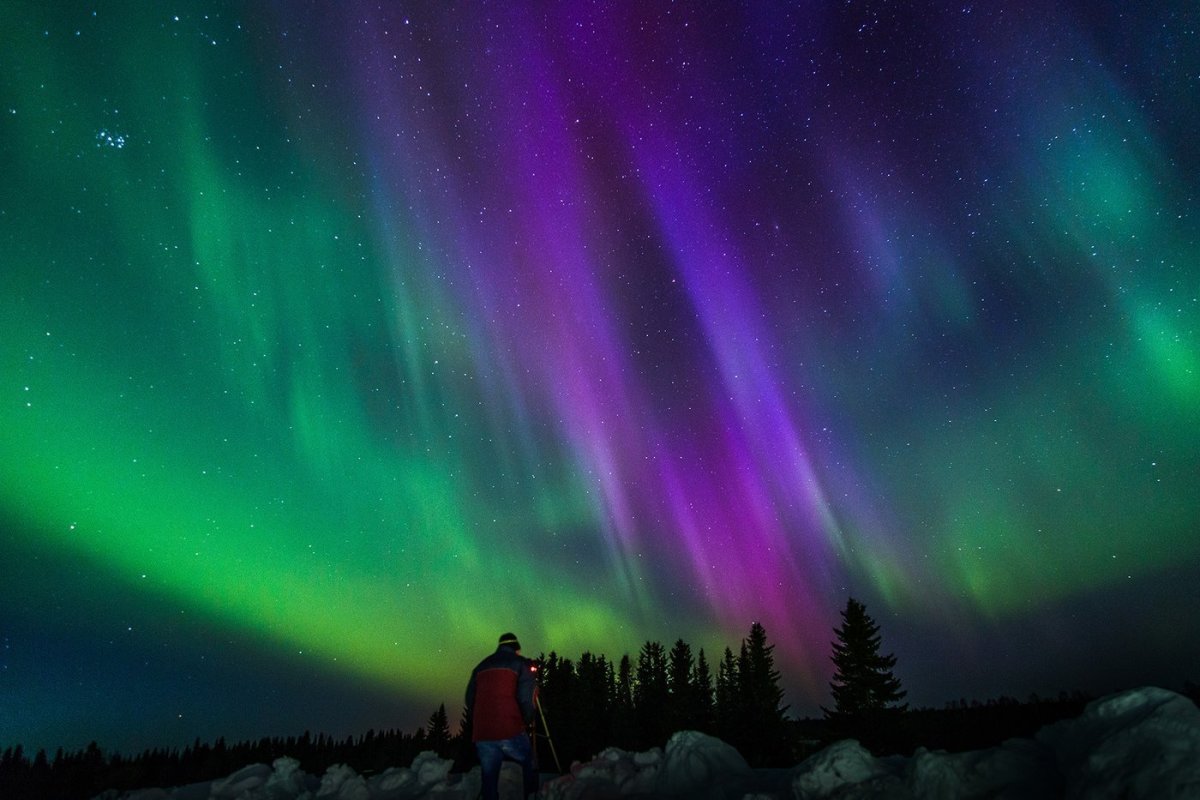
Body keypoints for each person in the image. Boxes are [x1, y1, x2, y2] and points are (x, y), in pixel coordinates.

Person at [465, 632, 540, 800]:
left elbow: (470, 698)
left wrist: (478, 720)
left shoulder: (480, 666)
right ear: (516, 648)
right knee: (529, 760)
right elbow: (526, 697)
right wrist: (526, 720)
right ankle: (532, 794)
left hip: (482, 732)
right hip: (509, 728)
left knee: (489, 775)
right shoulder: (520, 663)